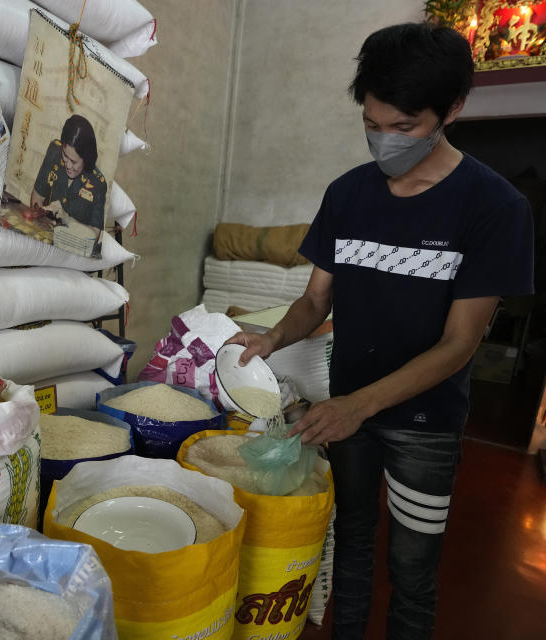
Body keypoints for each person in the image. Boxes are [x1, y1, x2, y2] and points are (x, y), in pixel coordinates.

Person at [226, 23, 534, 640]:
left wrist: (354, 408)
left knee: (413, 569)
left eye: (404, 128)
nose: (384, 141)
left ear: (452, 110)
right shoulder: (348, 195)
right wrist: (271, 339)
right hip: (349, 412)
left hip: (426, 425)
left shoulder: (494, 208)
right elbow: (315, 300)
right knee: (353, 549)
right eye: (371, 124)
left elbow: (459, 344)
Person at [30, 114, 107, 229]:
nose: (68, 165)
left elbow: (94, 233)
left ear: (86, 159)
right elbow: (37, 196)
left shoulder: (98, 183)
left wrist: (66, 218)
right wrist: (41, 213)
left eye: (74, 161)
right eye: (65, 155)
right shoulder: (54, 152)